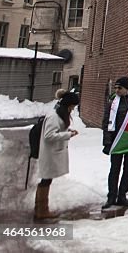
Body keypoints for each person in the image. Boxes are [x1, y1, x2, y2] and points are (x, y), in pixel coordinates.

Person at [35, 91, 79, 222]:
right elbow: (49, 135)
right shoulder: (54, 116)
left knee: (46, 180)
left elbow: (55, 131)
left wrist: (66, 131)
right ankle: (42, 210)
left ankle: (40, 209)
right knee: (46, 180)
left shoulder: (57, 114)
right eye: (72, 106)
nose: (73, 109)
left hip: (52, 153)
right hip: (49, 154)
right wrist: (68, 135)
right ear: (68, 105)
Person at [102, 76, 128, 209]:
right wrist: (107, 142)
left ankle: (122, 195)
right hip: (116, 139)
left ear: (126, 88)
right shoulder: (112, 101)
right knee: (114, 169)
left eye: (119, 88)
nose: (117, 90)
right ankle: (111, 196)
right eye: (116, 87)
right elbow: (106, 121)